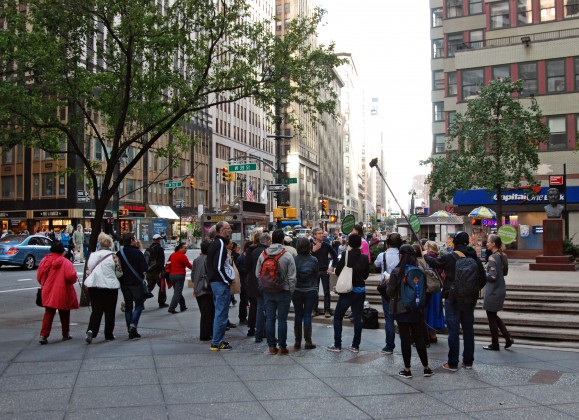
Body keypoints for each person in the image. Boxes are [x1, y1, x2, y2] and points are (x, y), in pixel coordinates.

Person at [424, 231, 486, 371]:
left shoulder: (450, 257)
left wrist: (425, 255)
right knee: (468, 329)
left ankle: (452, 363)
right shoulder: (474, 258)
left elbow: (435, 262)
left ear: (455, 242)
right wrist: (472, 290)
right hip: (469, 299)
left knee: (453, 331)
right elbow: (483, 278)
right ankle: (468, 361)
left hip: (452, 297)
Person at [386, 244, 434, 378]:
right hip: (417, 309)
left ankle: (407, 369)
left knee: (405, 339)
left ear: (401, 255)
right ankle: (426, 368)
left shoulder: (397, 272)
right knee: (419, 338)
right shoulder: (419, 269)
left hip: (402, 309)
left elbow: (390, 292)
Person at [255, 229, 297, 355]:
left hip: (267, 291)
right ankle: (282, 347)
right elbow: (292, 277)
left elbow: (257, 274)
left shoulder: (263, 254)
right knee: (282, 320)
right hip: (283, 291)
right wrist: (290, 290)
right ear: (283, 239)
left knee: (270, 319)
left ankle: (271, 347)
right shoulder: (287, 255)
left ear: (272, 239)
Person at [327, 234, 369, 353]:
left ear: (349, 243)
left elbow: (339, 271)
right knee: (357, 318)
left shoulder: (346, 255)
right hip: (360, 290)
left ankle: (337, 344)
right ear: (360, 244)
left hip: (348, 291)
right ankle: (355, 345)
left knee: (338, 317)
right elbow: (366, 275)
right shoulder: (365, 257)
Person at [37, 241, 79, 344]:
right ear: (62, 251)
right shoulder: (65, 262)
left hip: (47, 290)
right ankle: (65, 333)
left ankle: (43, 335)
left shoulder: (44, 261)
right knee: (64, 313)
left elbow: (39, 276)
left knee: (49, 313)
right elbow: (71, 277)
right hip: (62, 290)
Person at [85, 233, 123, 343]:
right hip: (110, 286)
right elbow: (119, 272)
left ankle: (91, 330)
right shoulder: (114, 256)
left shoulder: (92, 255)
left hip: (94, 285)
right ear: (110, 244)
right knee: (109, 311)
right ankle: (108, 334)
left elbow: (88, 270)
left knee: (96, 310)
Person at [206, 221, 234, 351]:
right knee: (221, 313)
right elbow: (218, 266)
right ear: (222, 230)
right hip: (220, 283)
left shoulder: (213, 243)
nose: (230, 230)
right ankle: (217, 342)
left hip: (214, 282)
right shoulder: (221, 244)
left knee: (219, 312)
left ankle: (217, 340)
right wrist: (227, 280)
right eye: (228, 228)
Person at [483, 234, 514, 351]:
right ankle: (507, 337)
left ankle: (495, 344)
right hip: (501, 288)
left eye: (488, 242)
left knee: (491, 317)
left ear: (493, 244)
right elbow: (504, 273)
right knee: (493, 315)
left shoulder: (492, 257)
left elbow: (492, 276)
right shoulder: (503, 255)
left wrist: (482, 273)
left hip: (493, 290)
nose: (487, 243)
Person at [374, 232, 402, 355]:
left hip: (386, 289)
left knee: (388, 318)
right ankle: (406, 341)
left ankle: (389, 346)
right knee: (401, 316)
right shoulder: (402, 255)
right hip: (400, 288)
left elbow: (376, 264)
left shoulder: (382, 255)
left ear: (387, 243)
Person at [117, 233, 148, 339]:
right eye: (134, 239)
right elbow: (144, 267)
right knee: (139, 304)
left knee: (128, 307)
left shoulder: (119, 253)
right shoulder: (137, 253)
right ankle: (133, 325)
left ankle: (130, 330)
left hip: (124, 283)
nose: (135, 241)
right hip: (136, 282)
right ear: (131, 240)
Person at [292, 237, 319, 350]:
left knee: (298, 314)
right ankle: (308, 341)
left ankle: (297, 341)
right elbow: (316, 274)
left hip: (297, 290)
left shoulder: (294, 259)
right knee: (307, 314)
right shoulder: (314, 260)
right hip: (310, 289)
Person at [311, 227, 339, 318]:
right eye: (319, 233)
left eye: (322, 233)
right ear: (315, 235)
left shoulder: (327, 245)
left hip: (324, 271)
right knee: (314, 291)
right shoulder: (310, 245)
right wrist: (312, 251)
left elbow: (335, 256)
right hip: (314, 272)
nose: (321, 234)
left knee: (326, 292)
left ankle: (327, 310)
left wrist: (332, 267)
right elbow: (305, 257)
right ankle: (314, 310)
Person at [245, 229, 268, 341]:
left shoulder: (251, 252)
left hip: (253, 282)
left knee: (256, 307)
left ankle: (255, 331)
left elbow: (246, 268)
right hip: (265, 282)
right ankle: (265, 331)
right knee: (266, 308)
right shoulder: (266, 252)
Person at [423, 241, 445, 344]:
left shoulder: (428, 258)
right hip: (437, 289)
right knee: (436, 310)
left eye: (425, 246)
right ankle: (433, 334)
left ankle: (429, 333)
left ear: (429, 248)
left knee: (429, 310)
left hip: (429, 288)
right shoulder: (439, 258)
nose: (424, 247)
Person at [192, 240, 213, 341]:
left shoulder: (196, 260)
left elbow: (192, 276)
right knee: (207, 312)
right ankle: (205, 334)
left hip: (198, 289)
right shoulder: (209, 259)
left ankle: (207, 332)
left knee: (204, 311)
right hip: (206, 289)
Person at [166, 242, 192, 314]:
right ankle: (172, 308)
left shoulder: (173, 255)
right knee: (177, 292)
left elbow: (168, 264)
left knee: (177, 291)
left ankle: (183, 306)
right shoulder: (182, 256)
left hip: (171, 275)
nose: (186, 250)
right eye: (185, 248)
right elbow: (189, 266)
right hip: (179, 275)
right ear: (180, 248)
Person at [146, 234, 167, 308]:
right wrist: (162, 271)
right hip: (157, 271)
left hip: (149, 271)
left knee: (149, 287)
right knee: (162, 286)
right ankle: (162, 302)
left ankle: (140, 301)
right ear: (158, 240)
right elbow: (161, 261)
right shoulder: (160, 249)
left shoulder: (148, 248)